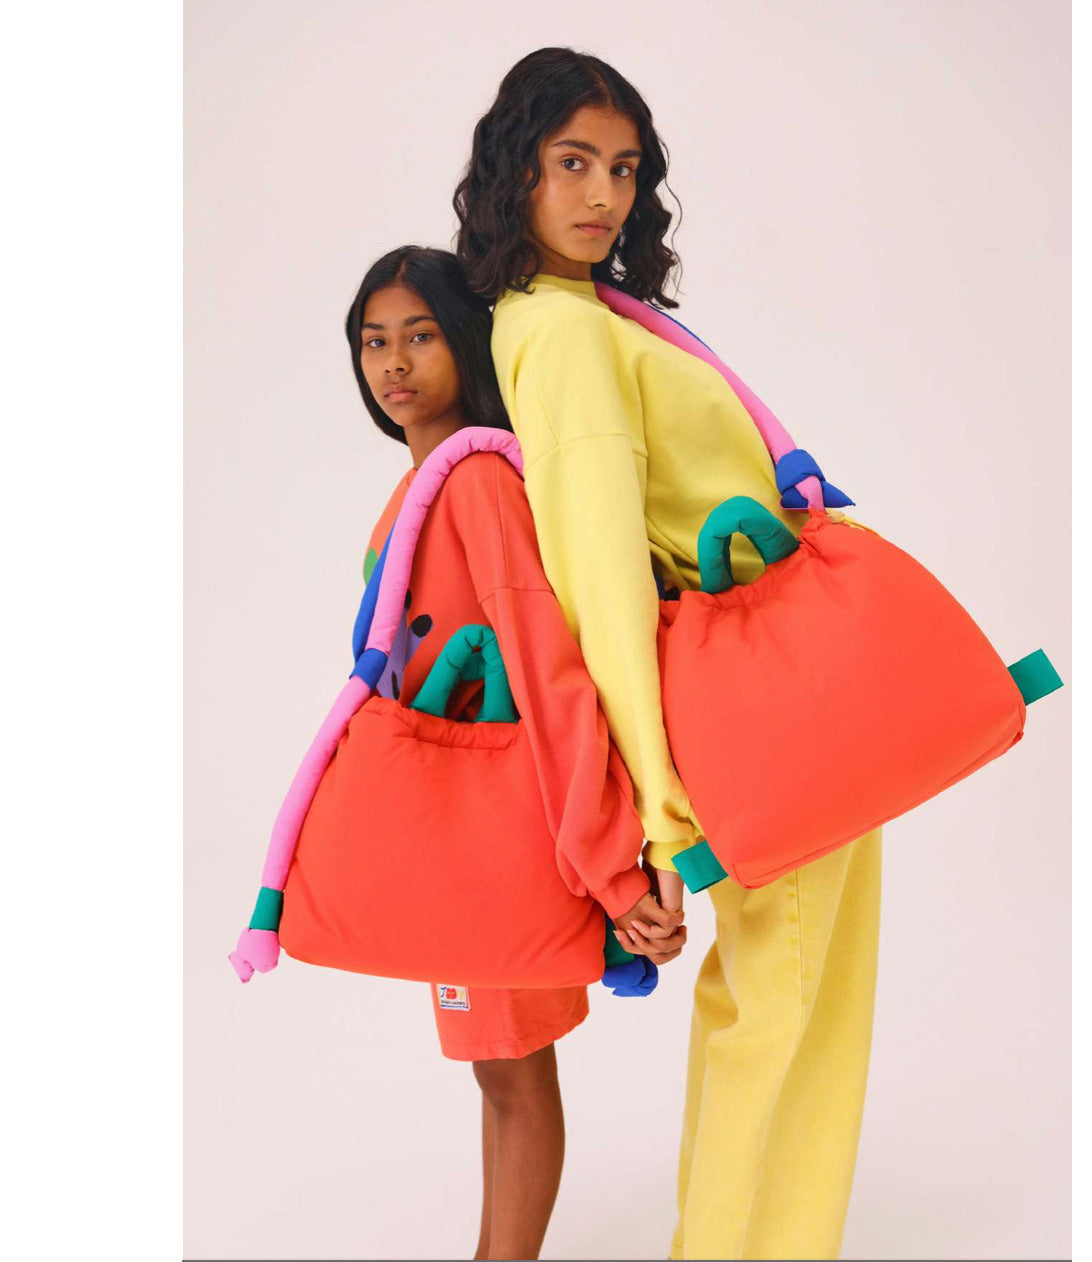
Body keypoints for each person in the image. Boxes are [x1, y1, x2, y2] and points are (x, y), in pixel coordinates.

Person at [454, 49, 883, 1261]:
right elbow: (597, 578)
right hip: (755, 703)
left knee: (806, 1006)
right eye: (571, 162)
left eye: (624, 168)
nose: (603, 194)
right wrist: (654, 817)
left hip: (795, 681)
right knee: (776, 1009)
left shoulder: (592, 317)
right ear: (516, 173)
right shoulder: (559, 333)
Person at [346, 245, 687, 1260]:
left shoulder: (480, 478)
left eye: (420, 336)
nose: (394, 362)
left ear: (465, 341)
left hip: (503, 828)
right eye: (373, 341)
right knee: (497, 1071)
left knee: (513, 1073)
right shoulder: (419, 487)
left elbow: (547, 668)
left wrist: (611, 868)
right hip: (454, 832)